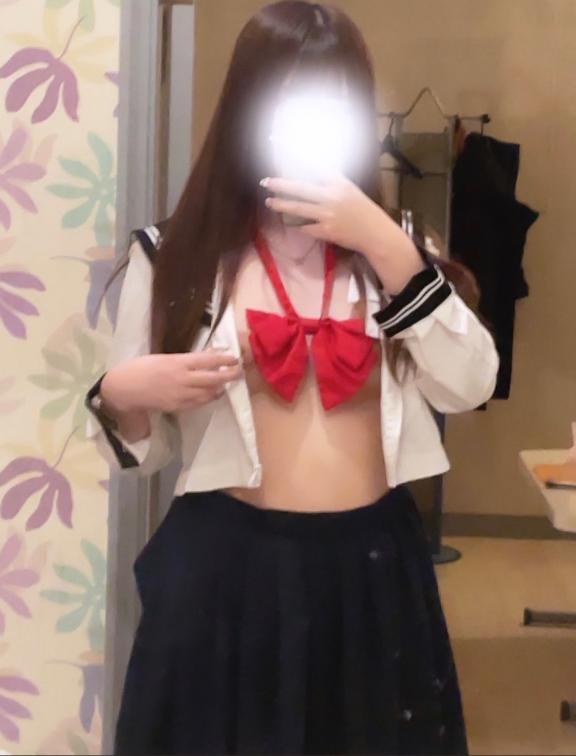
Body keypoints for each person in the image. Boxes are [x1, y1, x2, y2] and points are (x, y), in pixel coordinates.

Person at [85, 2, 499, 754]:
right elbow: (144, 450)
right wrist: (123, 394)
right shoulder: (176, 256)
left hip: (373, 572)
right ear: (245, 113)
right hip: (224, 570)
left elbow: (469, 385)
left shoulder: (399, 249)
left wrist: (387, 245)